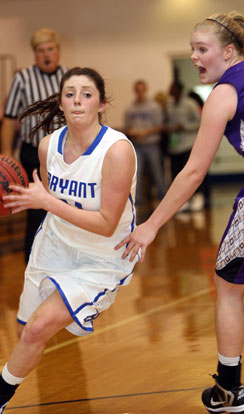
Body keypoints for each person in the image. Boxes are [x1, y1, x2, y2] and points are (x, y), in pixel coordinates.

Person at [0, 67, 138, 413]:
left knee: (39, 326)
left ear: (101, 104)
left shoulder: (117, 151)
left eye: (87, 94)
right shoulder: (47, 146)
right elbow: (40, 197)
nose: (77, 101)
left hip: (101, 256)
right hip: (55, 246)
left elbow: (105, 223)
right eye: (70, 94)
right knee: (30, 331)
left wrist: (47, 203)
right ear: (60, 101)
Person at [116, 11, 244, 414]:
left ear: (228, 52)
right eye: (191, 49)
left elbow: (192, 172)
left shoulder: (224, 94)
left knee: (227, 286)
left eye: (201, 49)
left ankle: (229, 392)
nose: (194, 56)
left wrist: (151, 226)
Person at [0, 28, 67, 263]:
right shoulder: (22, 78)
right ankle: (33, 264)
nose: (46, 55)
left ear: (58, 52)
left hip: (65, 154)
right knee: (36, 212)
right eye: (41, 51)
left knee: (65, 209)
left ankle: (63, 260)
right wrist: (7, 155)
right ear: (34, 54)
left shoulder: (69, 77)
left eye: (50, 49)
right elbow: (9, 118)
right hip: (33, 155)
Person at [124, 80, 166, 213]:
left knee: (157, 172)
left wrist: (145, 132)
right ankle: (137, 200)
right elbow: (127, 128)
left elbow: (159, 125)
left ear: (145, 90)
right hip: (137, 145)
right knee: (137, 173)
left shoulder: (154, 107)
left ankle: (163, 196)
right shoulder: (130, 109)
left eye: (142, 89)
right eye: (137, 90)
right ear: (135, 91)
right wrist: (133, 133)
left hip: (152, 144)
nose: (140, 92)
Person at [164, 80, 202, 212]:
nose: (170, 91)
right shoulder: (169, 105)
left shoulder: (190, 104)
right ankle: (181, 202)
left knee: (189, 174)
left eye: (172, 88)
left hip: (188, 144)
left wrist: (184, 127)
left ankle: (196, 198)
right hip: (174, 146)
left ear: (179, 90)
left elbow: (199, 123)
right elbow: (168, 123)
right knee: (176, 174)